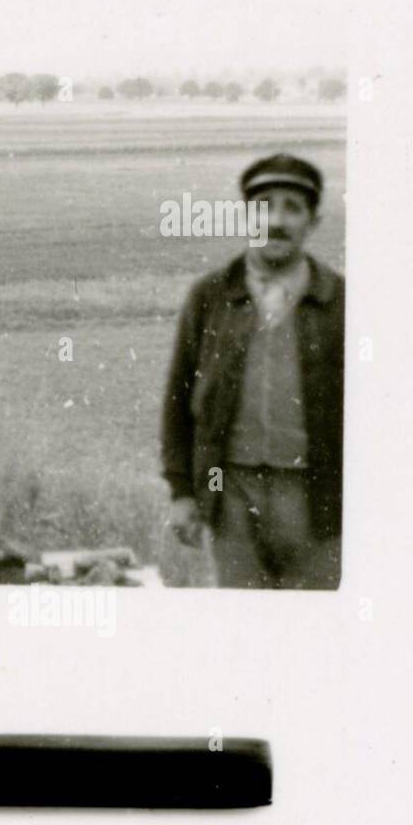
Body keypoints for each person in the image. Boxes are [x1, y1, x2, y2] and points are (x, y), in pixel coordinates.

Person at [161, 153, 344, 589]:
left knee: (313, 628)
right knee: (241, 626)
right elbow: (177, 399)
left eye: (292, 208)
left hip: (314, 498)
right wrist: (183, 492)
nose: (276, 220)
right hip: (231, 493)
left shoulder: (341, 302)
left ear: (312, 222)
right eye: (264, 205)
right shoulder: (209, 297)